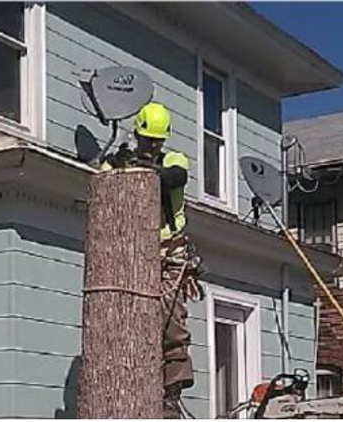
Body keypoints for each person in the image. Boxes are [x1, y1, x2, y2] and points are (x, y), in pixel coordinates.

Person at [101, 102, 203, 418]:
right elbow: (103, 184)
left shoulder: (174, 160)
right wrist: (116, 165)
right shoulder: (121, 160)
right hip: (130, 256)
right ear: (138, 135)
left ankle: (171, 396)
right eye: (148, 140)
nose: (153, 146)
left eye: (158, 141)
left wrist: (142, 169)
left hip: (169, 256)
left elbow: (174, 177)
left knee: (172, 327)